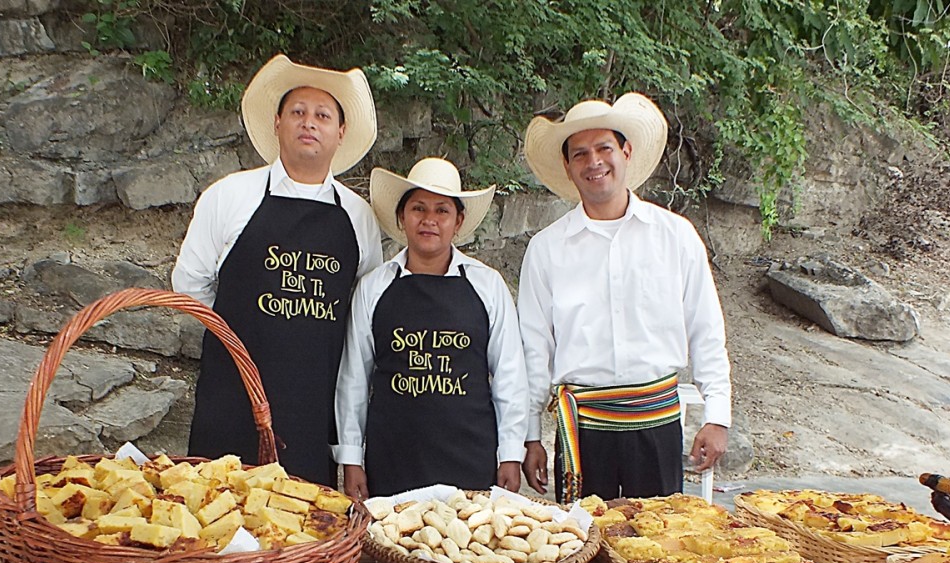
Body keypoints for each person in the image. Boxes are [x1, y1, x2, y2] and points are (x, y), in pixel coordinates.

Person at [172, 55, 383, 485]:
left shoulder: (359, 216)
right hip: (230, 394)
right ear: (277, 123)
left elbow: (363, 311)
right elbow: (189, 286)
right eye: (298, 112)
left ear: (340, 132)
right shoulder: (228, 196)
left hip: (312, 402)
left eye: (322, 115)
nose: (309, 123)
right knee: (215, 518)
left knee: (304, 525)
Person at [517, 94, 732, 503]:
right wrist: (530, 436)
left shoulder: (675, 235)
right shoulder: (546, 249)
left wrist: (717, 416)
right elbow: (534, 351)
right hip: (582, 432)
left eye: (604, 148)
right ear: (567, 166)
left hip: (657, 427)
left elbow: (706, 330)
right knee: (579, 547)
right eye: (579, 153)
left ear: (626, 151)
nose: (593, 162)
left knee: (657, 550)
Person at [334, 158, 529, 499]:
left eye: (442, 211)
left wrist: (511, 453)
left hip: (470, 453)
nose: (429, 220)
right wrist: (351, 459)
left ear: (458, 221)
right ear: (401, 217)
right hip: (392, 455)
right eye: (418, 208)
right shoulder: (374, 288)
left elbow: (510, 376)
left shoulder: (487, 285)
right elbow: (354, 379)